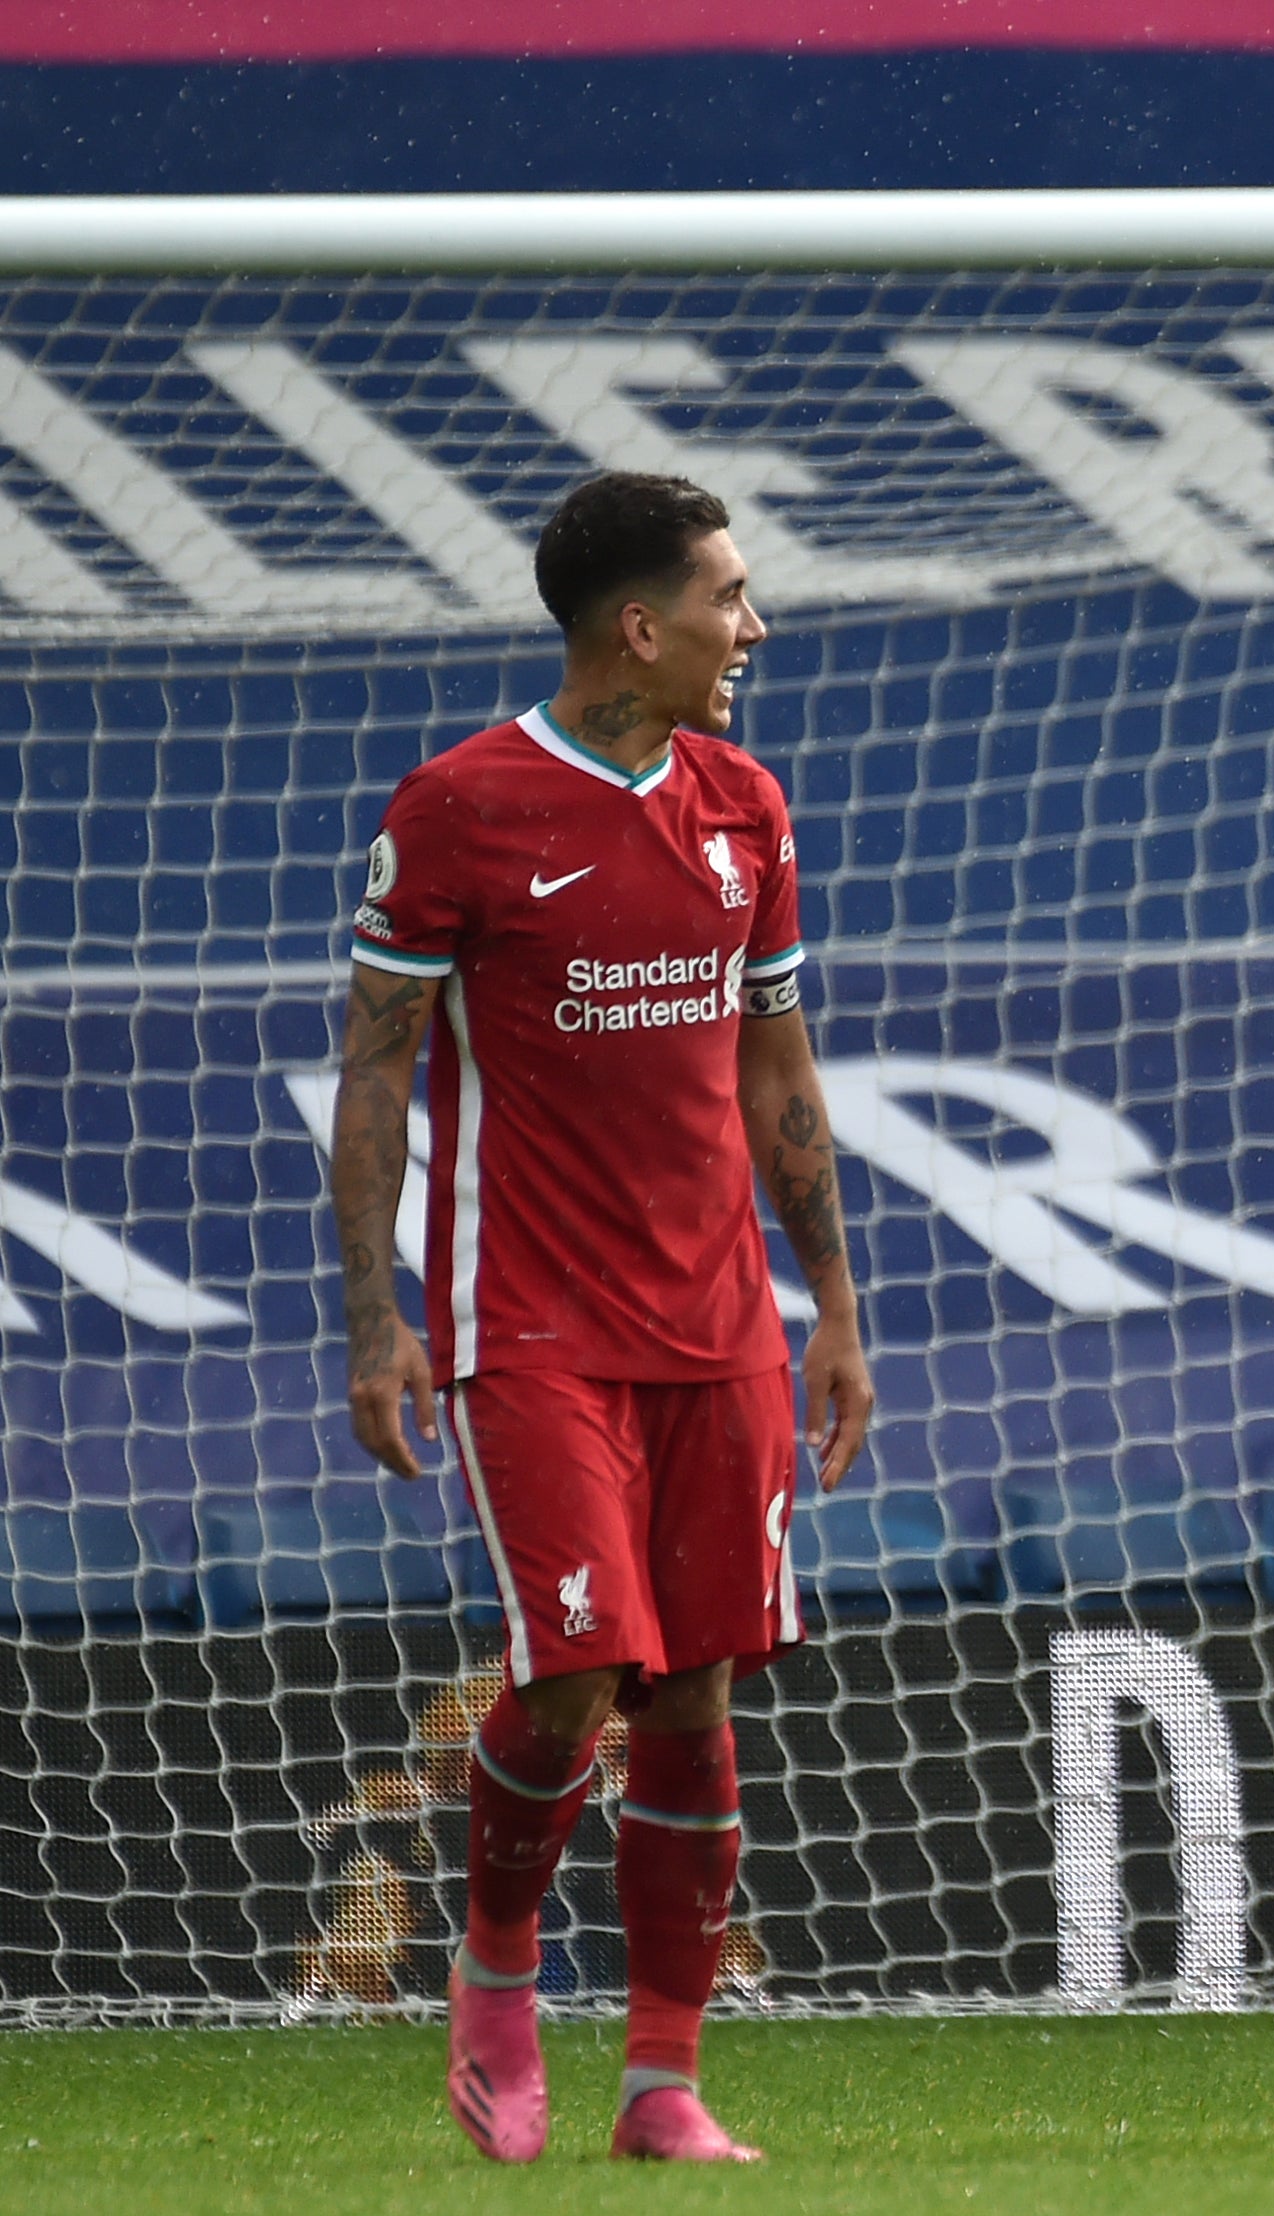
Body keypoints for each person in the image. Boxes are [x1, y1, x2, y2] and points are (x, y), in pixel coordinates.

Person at [330, 470, 872, 2162]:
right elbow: (374, 1070)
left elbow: (779, 1066)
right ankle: (495, 1979)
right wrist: (374, 1315)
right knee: (573, 1678)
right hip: (533, 1326)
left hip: (722, 1327)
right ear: (638, 629)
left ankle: (661, 2083)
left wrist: (835, 1301)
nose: (752, 627)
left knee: (698, 1693)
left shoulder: (747, 806)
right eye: (727, 598)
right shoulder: (460, 809)